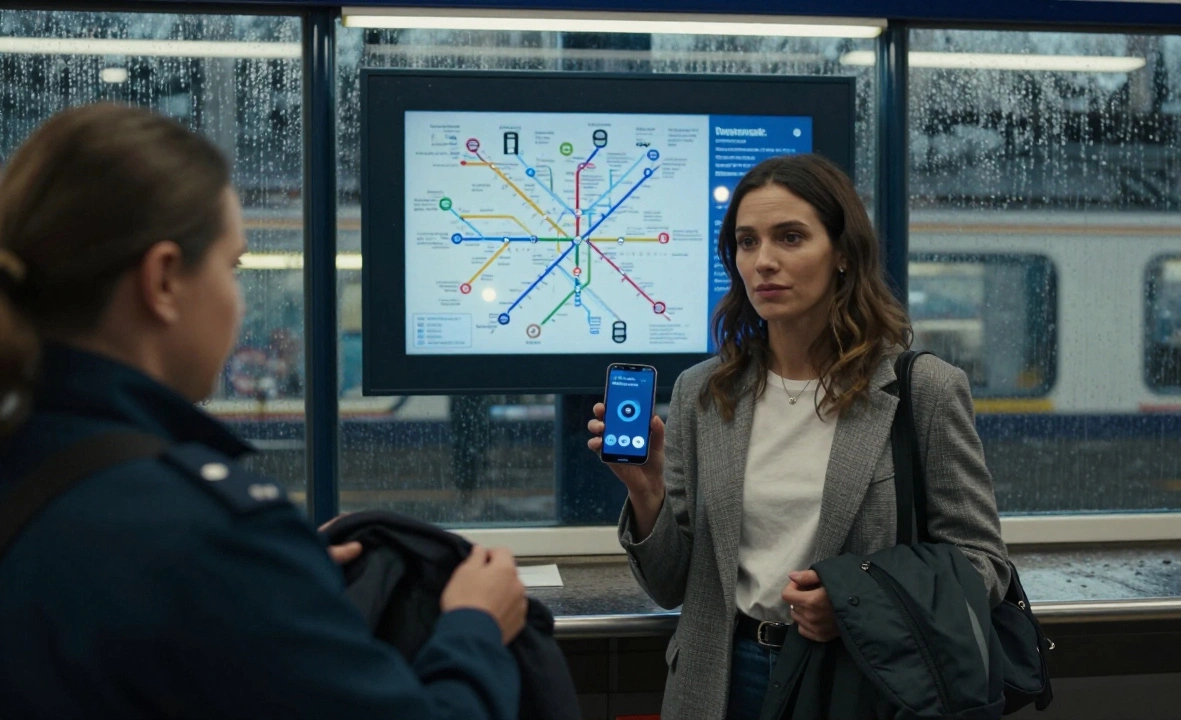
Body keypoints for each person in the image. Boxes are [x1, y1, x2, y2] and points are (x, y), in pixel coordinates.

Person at [0, 103, 528, 720]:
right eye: (232, 267)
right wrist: (474, 626)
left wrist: (272, 580)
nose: (240, 304)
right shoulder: (206, 533)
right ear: (164, 280)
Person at [587, 154, 1011, 720]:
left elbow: (983, 565)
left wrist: (860, 605)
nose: (763, 262)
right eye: (746, 242)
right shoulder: (705, 393)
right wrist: (646, 493)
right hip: (721, 678)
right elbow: (672, 586)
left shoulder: (921, 390)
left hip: (859, 679)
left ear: (842, 254)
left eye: (790, 237)